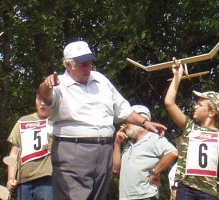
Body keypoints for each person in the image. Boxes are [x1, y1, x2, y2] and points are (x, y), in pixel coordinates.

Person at [38, 40, 167, 200]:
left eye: (90, 62)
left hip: (104, 151)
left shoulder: (100, 80)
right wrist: (46, 84)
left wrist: (145, 123)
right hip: (73, 150)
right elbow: (45, 96)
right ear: (68, 64)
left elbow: (123, 110)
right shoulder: (59, 84)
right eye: (83, 64)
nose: (88, 67)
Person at [164, 63, 219, 200]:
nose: (195, 106)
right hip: (185, 187)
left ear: (212, 112)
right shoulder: (190, 127)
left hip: (209, 191)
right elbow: (169, 103)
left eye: (200, 104)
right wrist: (177, 76)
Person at [113, 105, 178, 200]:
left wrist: (155, 173)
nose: (125, 125)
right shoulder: (129, 145)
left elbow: (172, 153)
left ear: (142, 120)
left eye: (128, 121)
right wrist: (117, 143)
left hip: (146, 196)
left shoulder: (153, 138)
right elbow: (115, 169)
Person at [6, 91, 53, 200]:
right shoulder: (22, 122)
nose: (42, 103)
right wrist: (11, 178)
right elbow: (13, 153)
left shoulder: (57, 123)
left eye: (46, 100)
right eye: (39, 99)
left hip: (47, 180)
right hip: (23, 182)